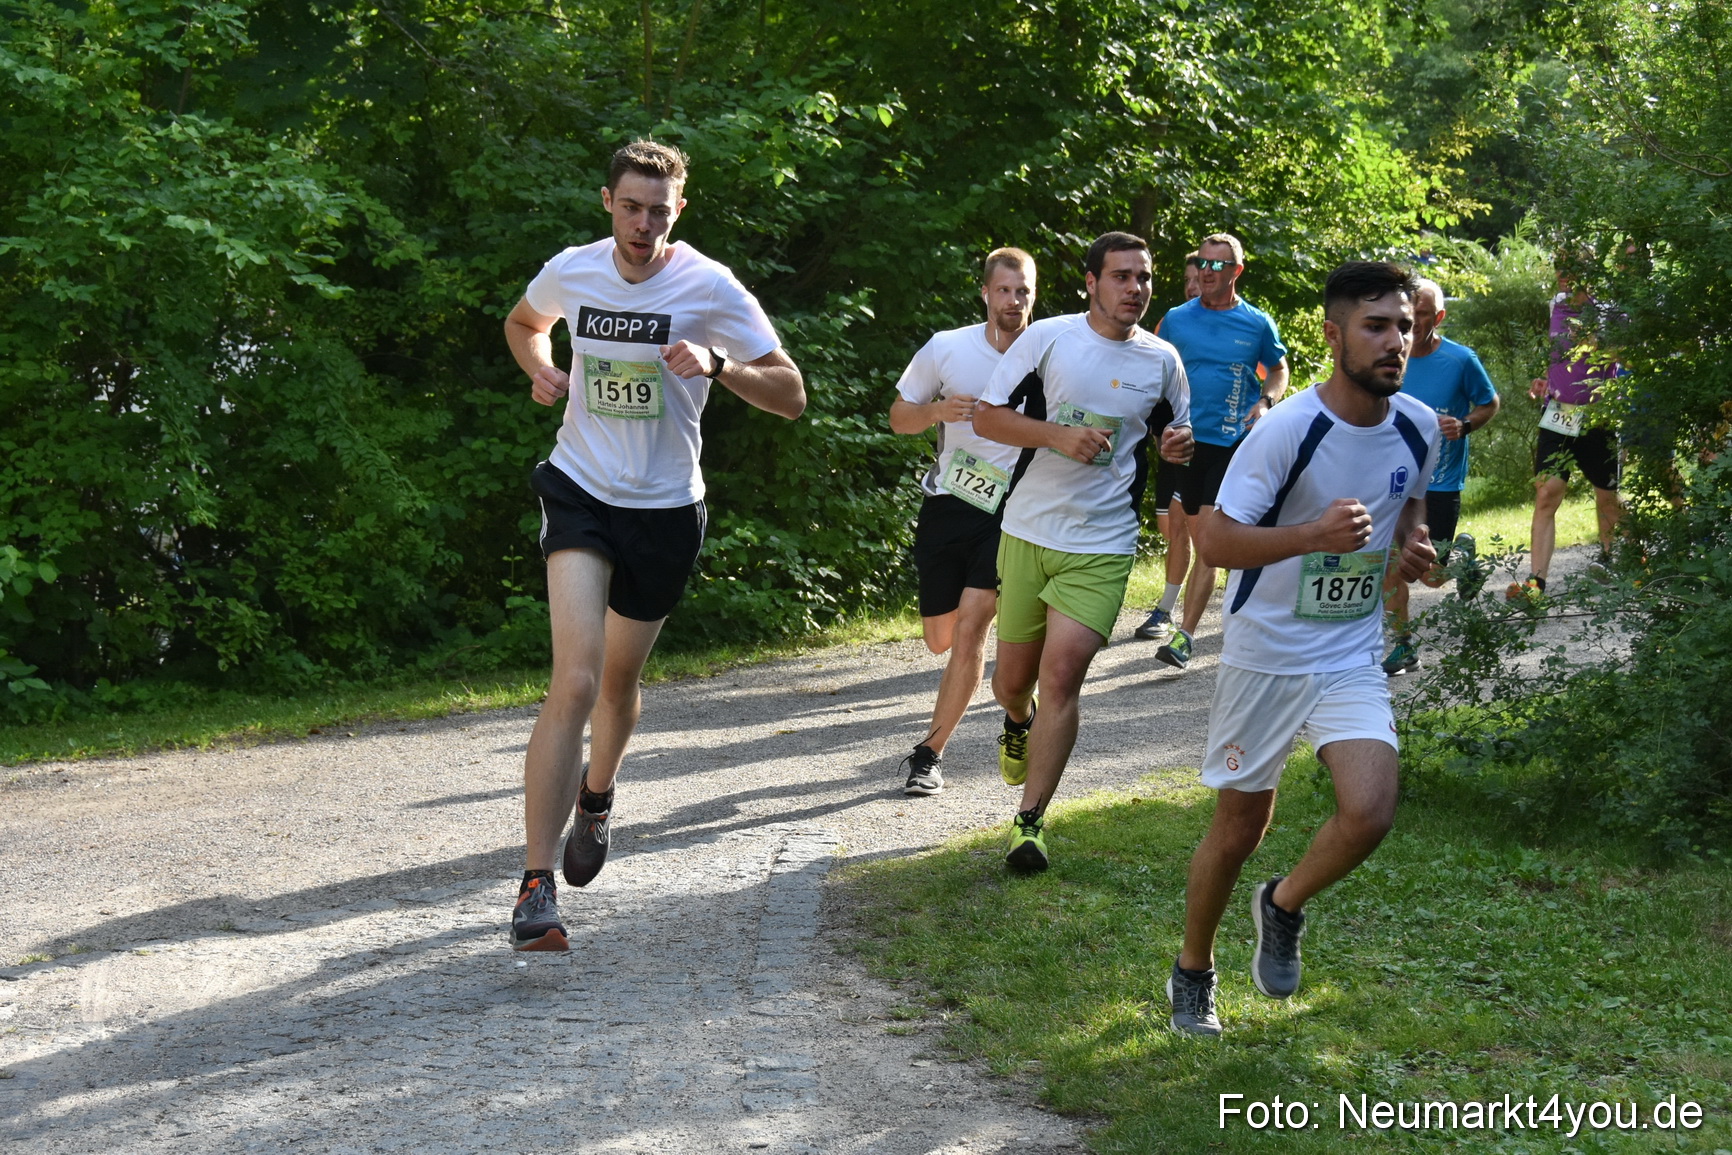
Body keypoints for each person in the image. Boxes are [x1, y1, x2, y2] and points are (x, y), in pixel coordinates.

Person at [500, 140, 806, 951]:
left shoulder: (708, 286)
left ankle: (597, 797)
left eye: (658, 211)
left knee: (620, 682)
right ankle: (536, 884)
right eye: (631, 207)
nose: (643, 224)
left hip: (667, 508)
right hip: (580, 489)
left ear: (679, 213)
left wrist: (721, 362)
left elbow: (792, 392)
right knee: (577, 674)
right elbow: (525, 322)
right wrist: (540, 365)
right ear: (608, 202)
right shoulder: (574, 269)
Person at [1166, 261, 1439, 1036]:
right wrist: (1311, 535)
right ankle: (1193, 969)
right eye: (1376, 326)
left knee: (1371, 809)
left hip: (1348, 650)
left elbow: (1408, 501)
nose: (1394, 342)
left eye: (1405, 327)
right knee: (1238, 829)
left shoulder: (1418, 422)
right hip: (1266, 652)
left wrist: (1412, 547)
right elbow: (1213, 539)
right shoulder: (1288, 429)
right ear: (1332, 334)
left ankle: (1282, 903)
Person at [973, 232, 1194, 872]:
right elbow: (986, 418)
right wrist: (1057, 436)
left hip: (1103, 542)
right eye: (1121, 276)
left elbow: (1176, 434)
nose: (1135, 288)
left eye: (1144, 278)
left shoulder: (1163, 360)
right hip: (1029, 530)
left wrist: (1176, 449)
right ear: (1092, 283)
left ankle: (1030, 823)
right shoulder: (1049, 337)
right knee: (1012, 685)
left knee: (1063, 677)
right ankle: (1019, 720)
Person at [887, 248, 1038, 795]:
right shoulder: (947, 347)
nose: (1014, 301)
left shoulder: (1049, 352)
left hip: (1013, 509)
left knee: (974, 623)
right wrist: (936, 411)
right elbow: (899, 417)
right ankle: (1019, 706)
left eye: (1023, 291)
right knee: (939, 638)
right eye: (1004, 290)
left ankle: (929, 754)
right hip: (950, 502)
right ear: (986, 294)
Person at [1150, 233, 1292, 669]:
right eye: (1204, 264)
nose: (1208, 273)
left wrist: (1266, 401)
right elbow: (1152, 370)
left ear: (1236, 271)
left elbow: (1279, 368)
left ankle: (1185, 636)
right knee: (1200, 538)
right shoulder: (1176, 319)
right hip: (1188, 443)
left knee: (1209, 543)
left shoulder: (1256, 324)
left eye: (1218, 265)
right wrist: (1157, 432)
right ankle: (1252, 606)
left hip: (1234, 444)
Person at [1380, 279, 1500, 674]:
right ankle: (1403, 645)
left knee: (1431, 575)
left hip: (1441, 481)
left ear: (1439, 317)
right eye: (1410, 312)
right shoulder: (1391, 355)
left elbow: (1489, 402)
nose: (1414, 320)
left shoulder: (1461, 360)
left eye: (1424, 313)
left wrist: (1464, 425)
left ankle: (1462, 557)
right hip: (1395, 480)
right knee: (1392, 564)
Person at [1507, 273, 1623, 600]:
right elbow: (1560, 354)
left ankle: (1616, 557)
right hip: (1558, 412)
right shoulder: (1557, 305)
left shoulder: (1610, 310)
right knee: (1547, 491)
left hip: (1597, 416)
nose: (1562, 281)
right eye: (1559, 272)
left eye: (1569, 273)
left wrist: (1596, 339)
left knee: (1607, 497)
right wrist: (1546, 377)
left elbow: (1624, 358)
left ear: (1586, 273)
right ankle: (1536, 584)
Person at [1134, 251, 1203, 642]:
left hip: (1206, 442)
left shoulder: (1239, 325)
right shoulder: (1173, 321)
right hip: (1170, 438)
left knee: (1180, 525)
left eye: (1198, 278)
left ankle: (1166, 611)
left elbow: (1263, 372)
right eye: (1187, 279)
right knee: (1170, 527)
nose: (1192, 285)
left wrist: (1261, 401)